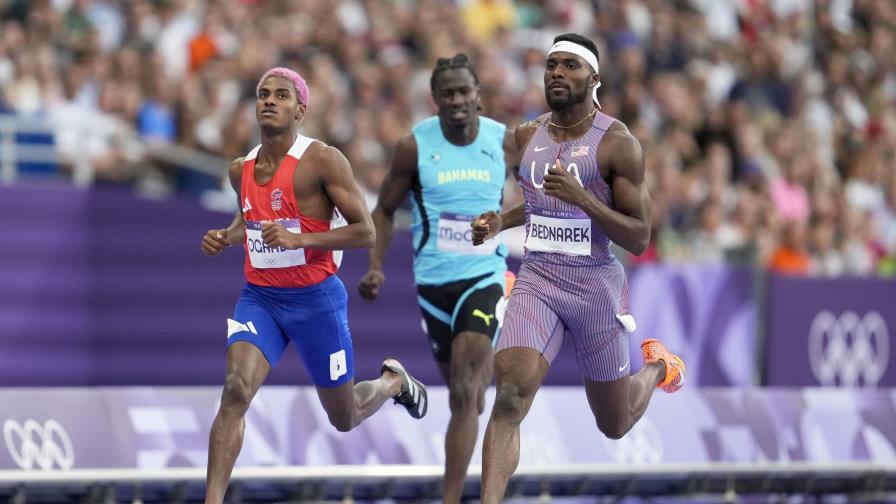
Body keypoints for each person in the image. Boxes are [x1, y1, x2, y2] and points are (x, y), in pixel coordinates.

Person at [471, 34, 686, 503]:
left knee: (614, 424)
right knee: (509, 395)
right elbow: (538, 203)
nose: (556, 73)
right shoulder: (527, 136)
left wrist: (584, 198)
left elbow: (639, 236)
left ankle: (656, 368)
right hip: (538, 279)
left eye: (569, 66)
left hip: (594, 286)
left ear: (593, 79)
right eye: (551, 65)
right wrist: (498, 222)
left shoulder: (617, 143)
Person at [200, 67, 427, 504]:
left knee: (344, 416)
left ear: (300, 109)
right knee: (236, 390)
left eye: (281, 95)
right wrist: (226, 236)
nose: (269, 100)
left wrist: (302, 239)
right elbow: (251, 215)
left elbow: (367, 233)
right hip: (260, 297)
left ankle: (392, 382)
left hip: (315, 300)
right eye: (263, 94)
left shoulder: (323, 160)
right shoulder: (238, 170)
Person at [358, 53, 517, 503]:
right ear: (435, 100)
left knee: (468, 392)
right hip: (432, 284)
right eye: (447, 93)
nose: (457, 100)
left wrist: (505, 221)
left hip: (483, 275)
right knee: (465, 398)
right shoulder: (414, 145)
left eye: (465, 91)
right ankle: (420, 395)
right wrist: (374, 266)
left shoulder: (503, 142)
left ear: (478, 96)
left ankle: (450, 499)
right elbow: (384, 210)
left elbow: (544, 194)